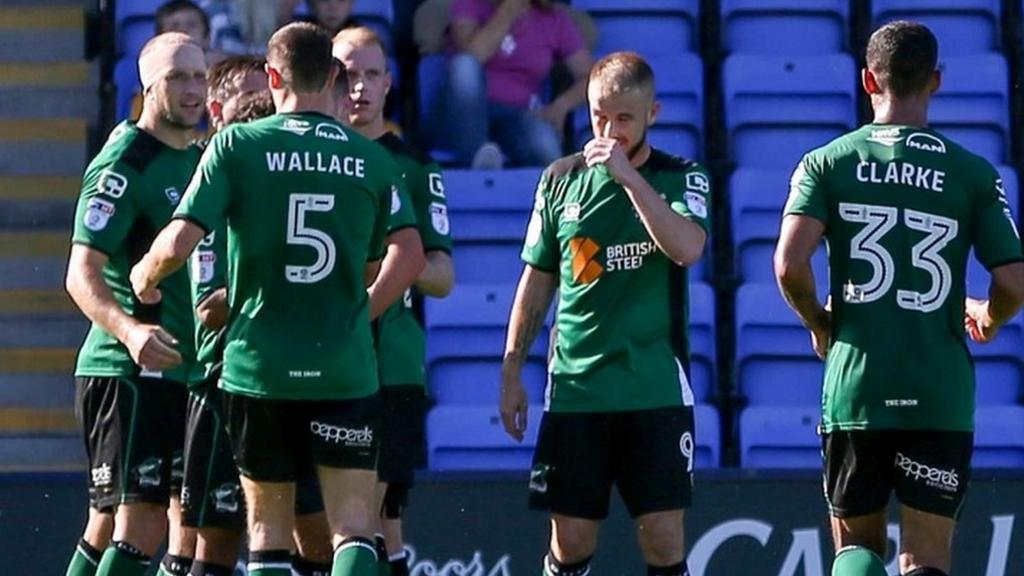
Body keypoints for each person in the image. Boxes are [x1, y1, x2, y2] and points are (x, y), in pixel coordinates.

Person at [129, 22, 411, 576]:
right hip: (344, 366)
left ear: (274, 76)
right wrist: (361, 310)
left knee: (267, 535)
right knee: (354, 526)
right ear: (332, 76)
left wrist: (145, 274)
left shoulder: (236, 144)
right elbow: (411, 257)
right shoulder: (372, 157)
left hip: (259, 368)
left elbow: (182, 238)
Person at [774, 21, 1024, 576]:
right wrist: (988, 315)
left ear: (868, 80)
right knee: (926, 558)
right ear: (936, 80)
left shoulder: (827, 162)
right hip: (937, 389)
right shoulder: (974, 174)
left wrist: (819, 322)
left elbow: (789, 264)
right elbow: (1012, 282)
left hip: (858, 385)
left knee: (856, 549)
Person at [500, 51, 710, 576]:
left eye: (624, 119)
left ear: (652, 115)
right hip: (577, 386)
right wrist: (511, 368)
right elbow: (538, 277)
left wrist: (629, 181)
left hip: (653, 386)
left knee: (663, 539)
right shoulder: (560, 180)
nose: (609, 130)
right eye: (599, 116)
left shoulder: (679, 176)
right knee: (570, 539)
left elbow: (687, 247)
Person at [64, 32, 206, 576]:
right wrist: (130, 333)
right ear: (148, 88)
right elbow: (81, 273)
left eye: (198, 76)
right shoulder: (125, 162)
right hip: (127, 371)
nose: (192, 90)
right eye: (177, 78)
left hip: (181, 372)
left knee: (168, 524)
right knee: (140, 521)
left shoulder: (197, 158)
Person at [333, 26, 454, 576]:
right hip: (316, 362)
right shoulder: (308, 158)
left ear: (390, 82)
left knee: (378, 516)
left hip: (392, 365)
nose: (359, 87)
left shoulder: (414, 166)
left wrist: (384, 267)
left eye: (370, 75)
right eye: (347, 75)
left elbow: (443, 276)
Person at [177, 55, 266, 576]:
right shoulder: (209, 188)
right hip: (219, 382)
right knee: (206, 545)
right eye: (249, 101)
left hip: (298, 382)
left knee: (311, 537)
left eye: (268, 100)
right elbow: (209, 307)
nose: (262, 111)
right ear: (218, 111)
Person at [437, 0, 593, 168]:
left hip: (519, 114)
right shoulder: (469, 4)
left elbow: (591, 78)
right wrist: (509, 10)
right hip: (463, 111)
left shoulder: (554, 18)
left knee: (547, 148)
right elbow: (474, 56)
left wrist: (561, 106)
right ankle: (477, 159)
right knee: (464, 65)